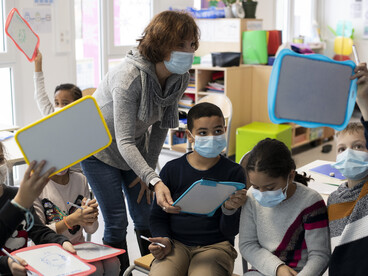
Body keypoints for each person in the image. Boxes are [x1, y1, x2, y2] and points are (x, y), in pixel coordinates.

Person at [80, 10, 200, 273]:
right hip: (98, 150)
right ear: (160, 42)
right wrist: (154, 179)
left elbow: (160, 125)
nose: (188, 51)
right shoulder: (129, 78)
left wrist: (148, 172)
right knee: (116, 221)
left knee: (145, 214)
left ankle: (153, 269)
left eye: (192, 44)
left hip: (133, 147)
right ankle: (117, 272)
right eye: (181, 44)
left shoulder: (180, 77)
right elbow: (123, 140)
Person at [147, 102, 247, 276]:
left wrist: (230, 210)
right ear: (189, 136)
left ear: (225, 130)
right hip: (175, 244)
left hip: (216, 246)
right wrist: (163, 238)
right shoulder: (172, 169)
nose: (212, 137)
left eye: (218, 131)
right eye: (202, 133)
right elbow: (157, 216)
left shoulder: (234, 172)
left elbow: (230, 232)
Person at [239, 138, 330, 276]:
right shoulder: (252, 196)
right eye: (256, 186)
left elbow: (320, 255)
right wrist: (277, 268)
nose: (261, 194)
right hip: (263, 269)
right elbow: (247, 245)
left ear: (290, 176)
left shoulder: (311, 202)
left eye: (270, 188)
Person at [0, 141, 75, 276]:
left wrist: (61, 242)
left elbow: (38, 231)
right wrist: (7, 264)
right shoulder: (20, 198)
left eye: (0, 160)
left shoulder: (14, 194)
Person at [33, 168, 120, 276]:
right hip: (50, 251)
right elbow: (37, 235)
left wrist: (90, 216)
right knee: (95, 269)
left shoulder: (80, 179)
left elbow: (91, 230)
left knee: (113, 263)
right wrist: (71, 220)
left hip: (78, 246)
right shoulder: (36, 186)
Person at [33, 50, 83, 115]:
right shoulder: (52, 115)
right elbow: (40, 95)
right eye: (57, 103)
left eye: (65, 103)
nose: (59, 107)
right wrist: (38, 64)